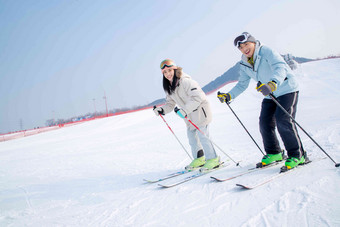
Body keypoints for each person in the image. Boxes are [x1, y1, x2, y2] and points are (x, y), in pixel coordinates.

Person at [218, 32, 305, 170]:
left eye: (246, 44)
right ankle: (274, 153)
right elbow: (242, 84)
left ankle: (297, 155)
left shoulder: (266, 51)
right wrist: (229, 95)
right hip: (269, 94)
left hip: (286, 88)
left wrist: (272, 83)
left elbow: (280, 67)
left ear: (253, 42)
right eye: (241, 48)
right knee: (264, 122)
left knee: (283, 120)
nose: (245, 49)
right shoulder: (244, 63)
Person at [153, 59, 220, 171]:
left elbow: (198, 97)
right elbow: (170, 104)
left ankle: (213, 159)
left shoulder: (186, 81)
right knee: (192, 137)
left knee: (203, 136)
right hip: (189, 116)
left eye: (169, 70)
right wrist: (162, 110)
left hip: (201, 112)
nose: (168, 74)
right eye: (165, 72)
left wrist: (184, 110)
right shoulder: (169, 87)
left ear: (175, 69)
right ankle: (199, 159)